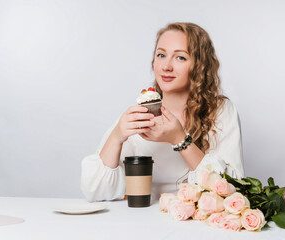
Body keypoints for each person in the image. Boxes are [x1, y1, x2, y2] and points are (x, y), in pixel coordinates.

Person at [81, 22, 244, 202]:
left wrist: (180, 140)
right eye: (161, 55)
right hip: (145, 221)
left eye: (180, 58)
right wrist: (117, 136)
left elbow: (232, 188)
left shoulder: (220, 111)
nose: (166, 66)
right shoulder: (139, 116)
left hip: (198, 224)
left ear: (200, 65)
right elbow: (94, 192)